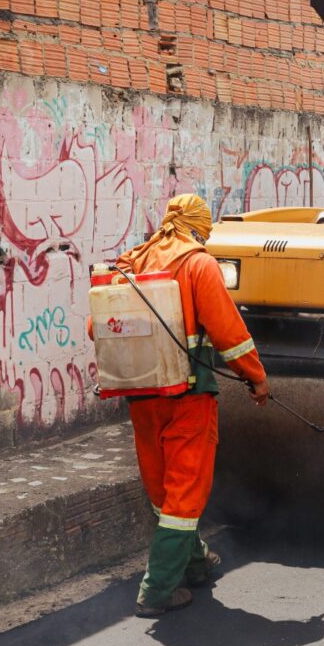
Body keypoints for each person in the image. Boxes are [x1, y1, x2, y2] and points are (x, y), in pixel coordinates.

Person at [112, 194, 269, 617]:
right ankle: (158, 589)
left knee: (162, 487)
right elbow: (228, 333)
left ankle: (195, 562)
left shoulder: (132, 261)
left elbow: (100, 323)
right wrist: (255, 376)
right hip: (188, 397)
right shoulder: (199, 264)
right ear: (199, 227)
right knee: (185, 492)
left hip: (143, 396)